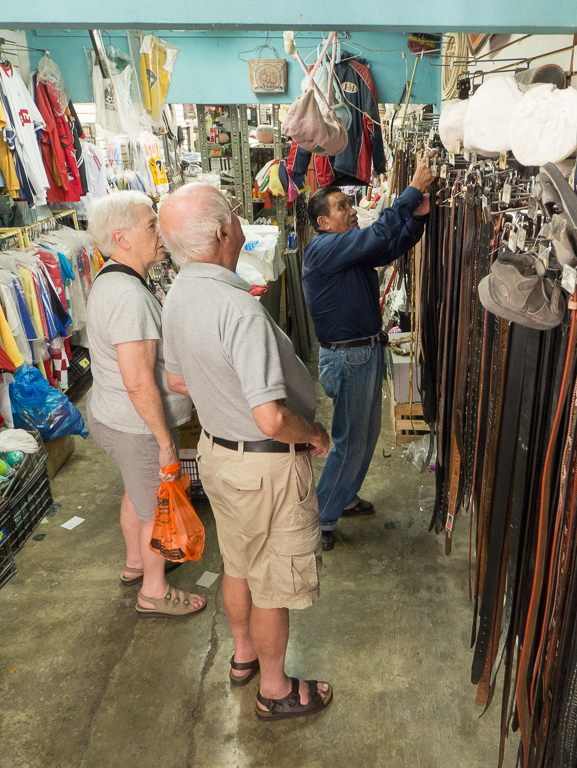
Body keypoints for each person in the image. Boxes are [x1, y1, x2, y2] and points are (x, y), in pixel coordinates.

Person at [159, 183, 334, 722]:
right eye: (233, 214)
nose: (238, 220)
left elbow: (176, 378)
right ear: (222, 232)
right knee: (272, 583)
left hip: (219, 455)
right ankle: (276, 690)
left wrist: (225, 392)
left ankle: (244, 658)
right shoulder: (239, 310)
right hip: (264, 465)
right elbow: (271, 418)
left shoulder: (178, 294)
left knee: (238, 562)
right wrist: (311, 433)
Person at [302, 150, 437, 551]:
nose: (351, 210)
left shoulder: (345, 250)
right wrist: (411, 190)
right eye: (342, 207)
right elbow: (377, 234)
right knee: (349, 441)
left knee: (367, 434)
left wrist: (419, 218)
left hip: (361, 352)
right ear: (323, 222)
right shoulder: (323, 249)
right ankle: (322, 518)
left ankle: (344, 497)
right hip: (348, 356)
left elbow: (387, 247)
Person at [84, 190, 206, 619]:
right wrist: (165, 443)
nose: (160, 232)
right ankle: (154, 591)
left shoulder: (113, 279)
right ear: (121, 237)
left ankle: (137, 563)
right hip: (136, 424)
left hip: (112, 415)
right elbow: (139, 383)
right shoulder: (129, 297)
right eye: (150, 225)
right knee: (157, 503)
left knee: (137, 495)